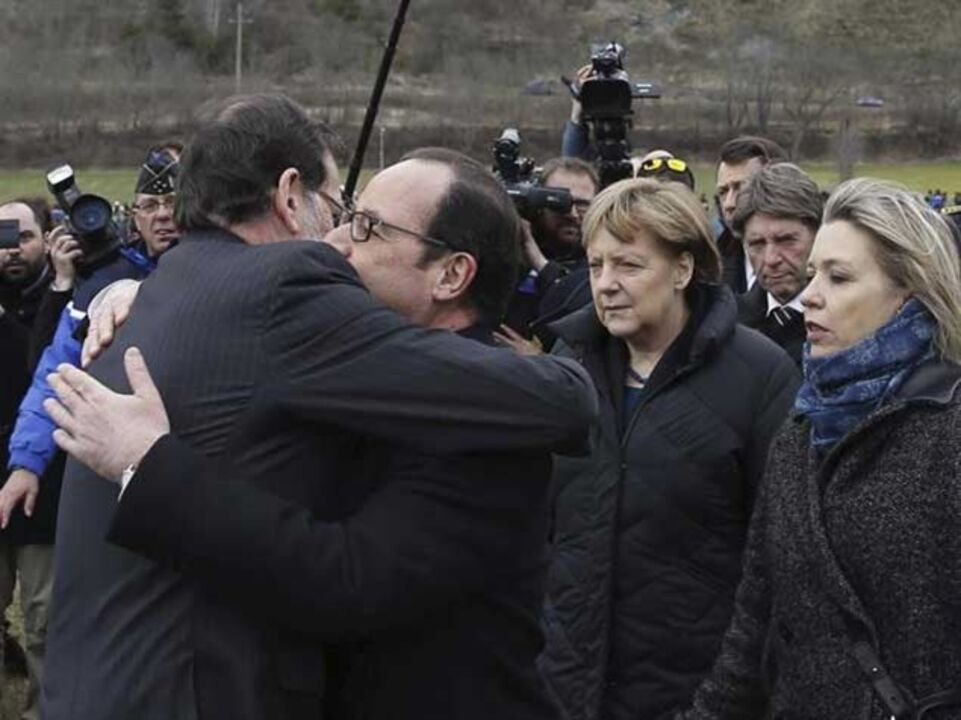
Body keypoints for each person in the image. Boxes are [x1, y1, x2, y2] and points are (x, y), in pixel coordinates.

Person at [37, 94, 594, 720]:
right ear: (288, 195)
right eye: (342, 213)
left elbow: (347, 582)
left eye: (366, 226)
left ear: (451, 275)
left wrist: (149, 466)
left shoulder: (482, 424)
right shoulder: (270, 310)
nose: (334, 242)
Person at [682, 178, 961, 720]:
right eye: (813, 274)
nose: (810, 294)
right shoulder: (802, 428)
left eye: (838, 277)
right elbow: (753, 627)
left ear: (909, 292)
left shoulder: (948, 432)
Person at [538, 179, 799, 720]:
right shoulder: (568, 364)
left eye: (629, 266)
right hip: (566, 687)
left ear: (682, 269)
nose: (605, 285)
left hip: (699, 690)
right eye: (595, 265)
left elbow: (781, 557)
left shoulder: (760, 375)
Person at [731, 163, 823, 366]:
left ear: (818, 235)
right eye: (757, 244)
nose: (771, 259)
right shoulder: (727, 327)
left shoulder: (849, 324)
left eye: (786, 240)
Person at [502, 157, 599, 349]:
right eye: (559, 202)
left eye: (582, 205)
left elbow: (583, 302)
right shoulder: (509, 250)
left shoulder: (604, 260)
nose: (572, 214)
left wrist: (537, 260)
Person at [714, 136, 788, 293]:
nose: (729, 204)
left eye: (740, 188)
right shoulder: (711, 269)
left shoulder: (814, 263)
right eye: (723, 192)